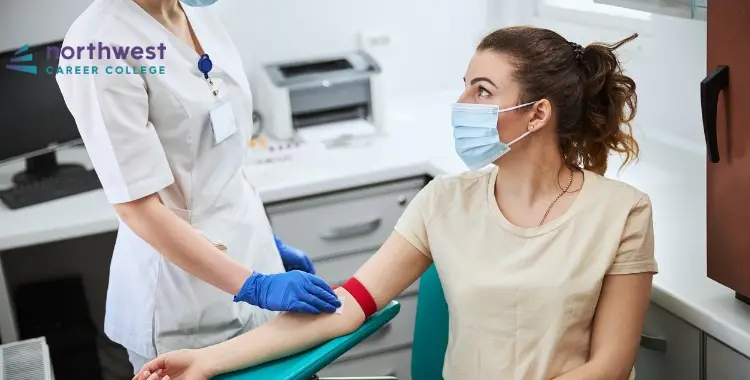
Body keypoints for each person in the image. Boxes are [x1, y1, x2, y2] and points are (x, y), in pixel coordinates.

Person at [134, 26, 657, 380]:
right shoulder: (444, 202)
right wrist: (206, 362)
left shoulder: (622, 213)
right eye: (465, 88)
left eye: (481, 91)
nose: (461, 105)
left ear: (536, 114)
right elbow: (347, 307)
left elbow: (609, 366)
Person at [55, 0, 341, 374]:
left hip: (253, 265)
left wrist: (267, 243)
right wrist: (256, 285)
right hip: (182, 303)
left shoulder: (199, 14)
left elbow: (219, 155)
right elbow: (137, 207)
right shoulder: (98, 44)